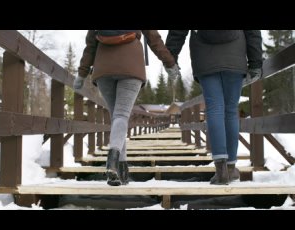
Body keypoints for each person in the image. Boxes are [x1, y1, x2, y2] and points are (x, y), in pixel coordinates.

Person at [74, 30, 179, 186]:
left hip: (104, 69)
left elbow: (90, 45)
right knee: (121, 115)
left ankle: (120, 169)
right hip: (131, 67)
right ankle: (113, 158)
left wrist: (82, 74)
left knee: (116, 116)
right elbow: (154, 39)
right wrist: (169, 63)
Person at [166, 30, 263, 185]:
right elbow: (252, 32)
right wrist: (255, 63)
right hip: (234, 57)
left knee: (214, 109)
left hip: (205, 59)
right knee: (231, 110)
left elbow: (177, 32)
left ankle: (221, 171)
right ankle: (231, 168)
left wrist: (170, 58)